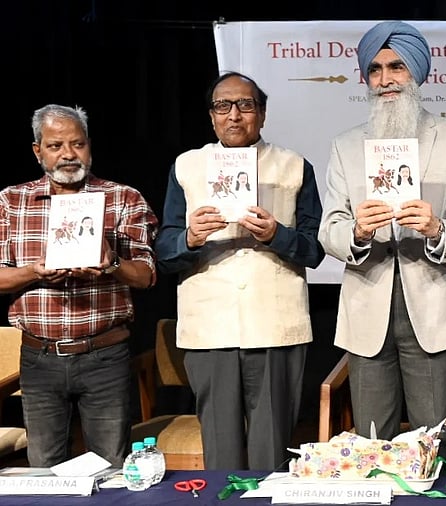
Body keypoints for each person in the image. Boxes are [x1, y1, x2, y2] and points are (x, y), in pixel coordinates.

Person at [318, 21, 446, 466]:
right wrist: (354, 231)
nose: (386, 79)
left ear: (417, 72)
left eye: (396, 67)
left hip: (434, 306)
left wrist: (436, 229)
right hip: (367, 306)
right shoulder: (345, 145)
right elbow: (327, 227)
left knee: (435, 442)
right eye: (375, 70)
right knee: (373, 445)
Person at [155, 71, 325, 470]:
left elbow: (316, 249)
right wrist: (190, 239)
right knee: (221, 450)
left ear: (262, 115)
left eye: (246, 105)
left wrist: (276, 235)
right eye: (223, 106)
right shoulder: (188, 166)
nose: (234, 115)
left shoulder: (294, 166)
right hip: (210, 327)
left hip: (276, 326)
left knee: (272, 450)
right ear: (212, 117)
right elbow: (165, 250)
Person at [0, 104, 158, 467]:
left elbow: (146, 275)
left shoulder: (123, 198)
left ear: (90, 146)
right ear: (38, 151)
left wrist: (113, 263)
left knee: (110, 468)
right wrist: (34, 272)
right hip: (40, 358)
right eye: (56, 146)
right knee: (45, 471)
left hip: (105, 354)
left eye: (78, 144)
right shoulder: (12, 201)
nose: (68, 154)